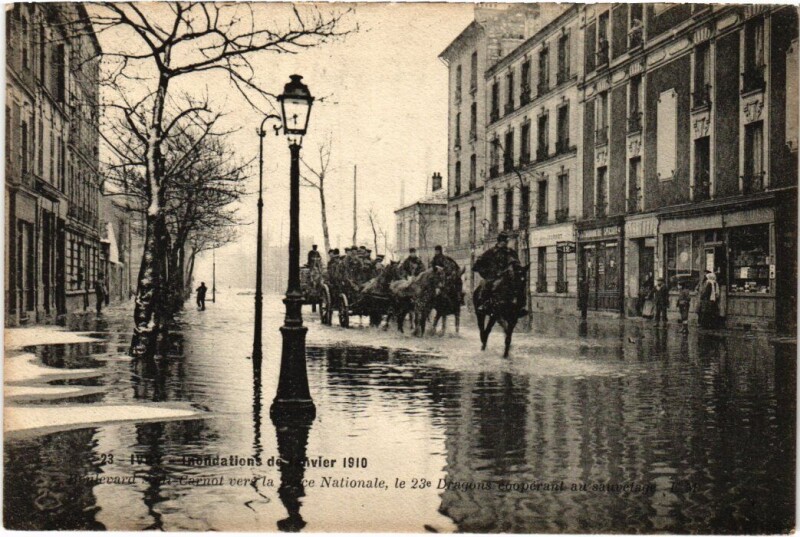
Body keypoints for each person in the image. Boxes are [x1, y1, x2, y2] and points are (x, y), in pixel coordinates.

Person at [472, 232, 525, 315]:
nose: (505, 243)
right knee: (487, 286)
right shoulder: (491, 252)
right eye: (503, 241)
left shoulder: (511, 252)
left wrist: (517, 267)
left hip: (508, 276)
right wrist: (487, 272)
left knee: (519, 285)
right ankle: (484, 304)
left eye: (506, 241)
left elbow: (516, 263)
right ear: (499, 241)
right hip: (493, 276)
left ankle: (520, 306)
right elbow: (478, 265)